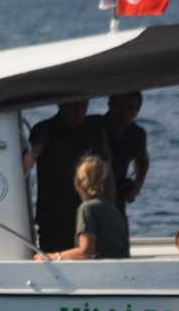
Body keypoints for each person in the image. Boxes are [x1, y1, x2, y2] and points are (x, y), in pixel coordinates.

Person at [24, 100, 113, 253]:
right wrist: (29, 158)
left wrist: (111, 209)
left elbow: (108, 170)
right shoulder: (45, 129)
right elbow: (34, 152)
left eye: (83, 104)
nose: (79, 110)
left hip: (87, 212)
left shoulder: (94, 130)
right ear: (60, 104)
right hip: (53, 217)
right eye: (74, 105)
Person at [34, 156, 128, 261]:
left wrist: (52, 257)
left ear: (77, 182)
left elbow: (86, 252)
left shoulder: (87, 208)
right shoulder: (111, 207)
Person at [103, 92, 150, 222]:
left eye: (131, 108)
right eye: (121, 106)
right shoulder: (94, 127)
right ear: (110, 105)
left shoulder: (136, 134)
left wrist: (138, 184)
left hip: (118, 200)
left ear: (137, 111)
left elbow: (143, 159)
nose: (125, 113)